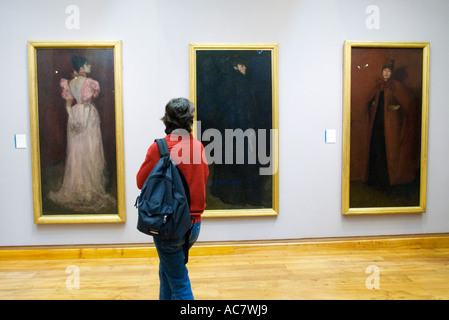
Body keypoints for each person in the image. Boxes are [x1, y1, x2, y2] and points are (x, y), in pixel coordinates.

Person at [136, 98, 209, 300]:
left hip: (168, 226)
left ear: (167, 119)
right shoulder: (197, 147)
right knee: (167, 271)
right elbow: (202, 181)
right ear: (189, 121)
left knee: (180, 284)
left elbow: (140, 182)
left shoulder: (159, 149)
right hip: (194, 226)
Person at [48, 55, 116, 211]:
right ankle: (88, 187)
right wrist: (83, 122)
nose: (90, 66)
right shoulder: (90, 83)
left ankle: (82, 187)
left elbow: (68, 105)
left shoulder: (70, 83)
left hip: (75, 114)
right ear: (81, 67)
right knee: (88, 150)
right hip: (86, 115)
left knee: (78, 150)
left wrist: (72, 118)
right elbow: (86, 104)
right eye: (87, 65)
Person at [365, 60, 420, 195]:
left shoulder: (396, 86)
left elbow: (409, 101)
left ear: (392, 73)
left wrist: (398, 107)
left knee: (387, 150)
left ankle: (386, 182)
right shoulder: (379, 86)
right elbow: (370, 101)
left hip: (390, 125)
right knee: (377, 148)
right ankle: (375, 180)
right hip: (378, 123)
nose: (386, 73)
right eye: (384, 70)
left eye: (389, 71)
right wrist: (373, 105)